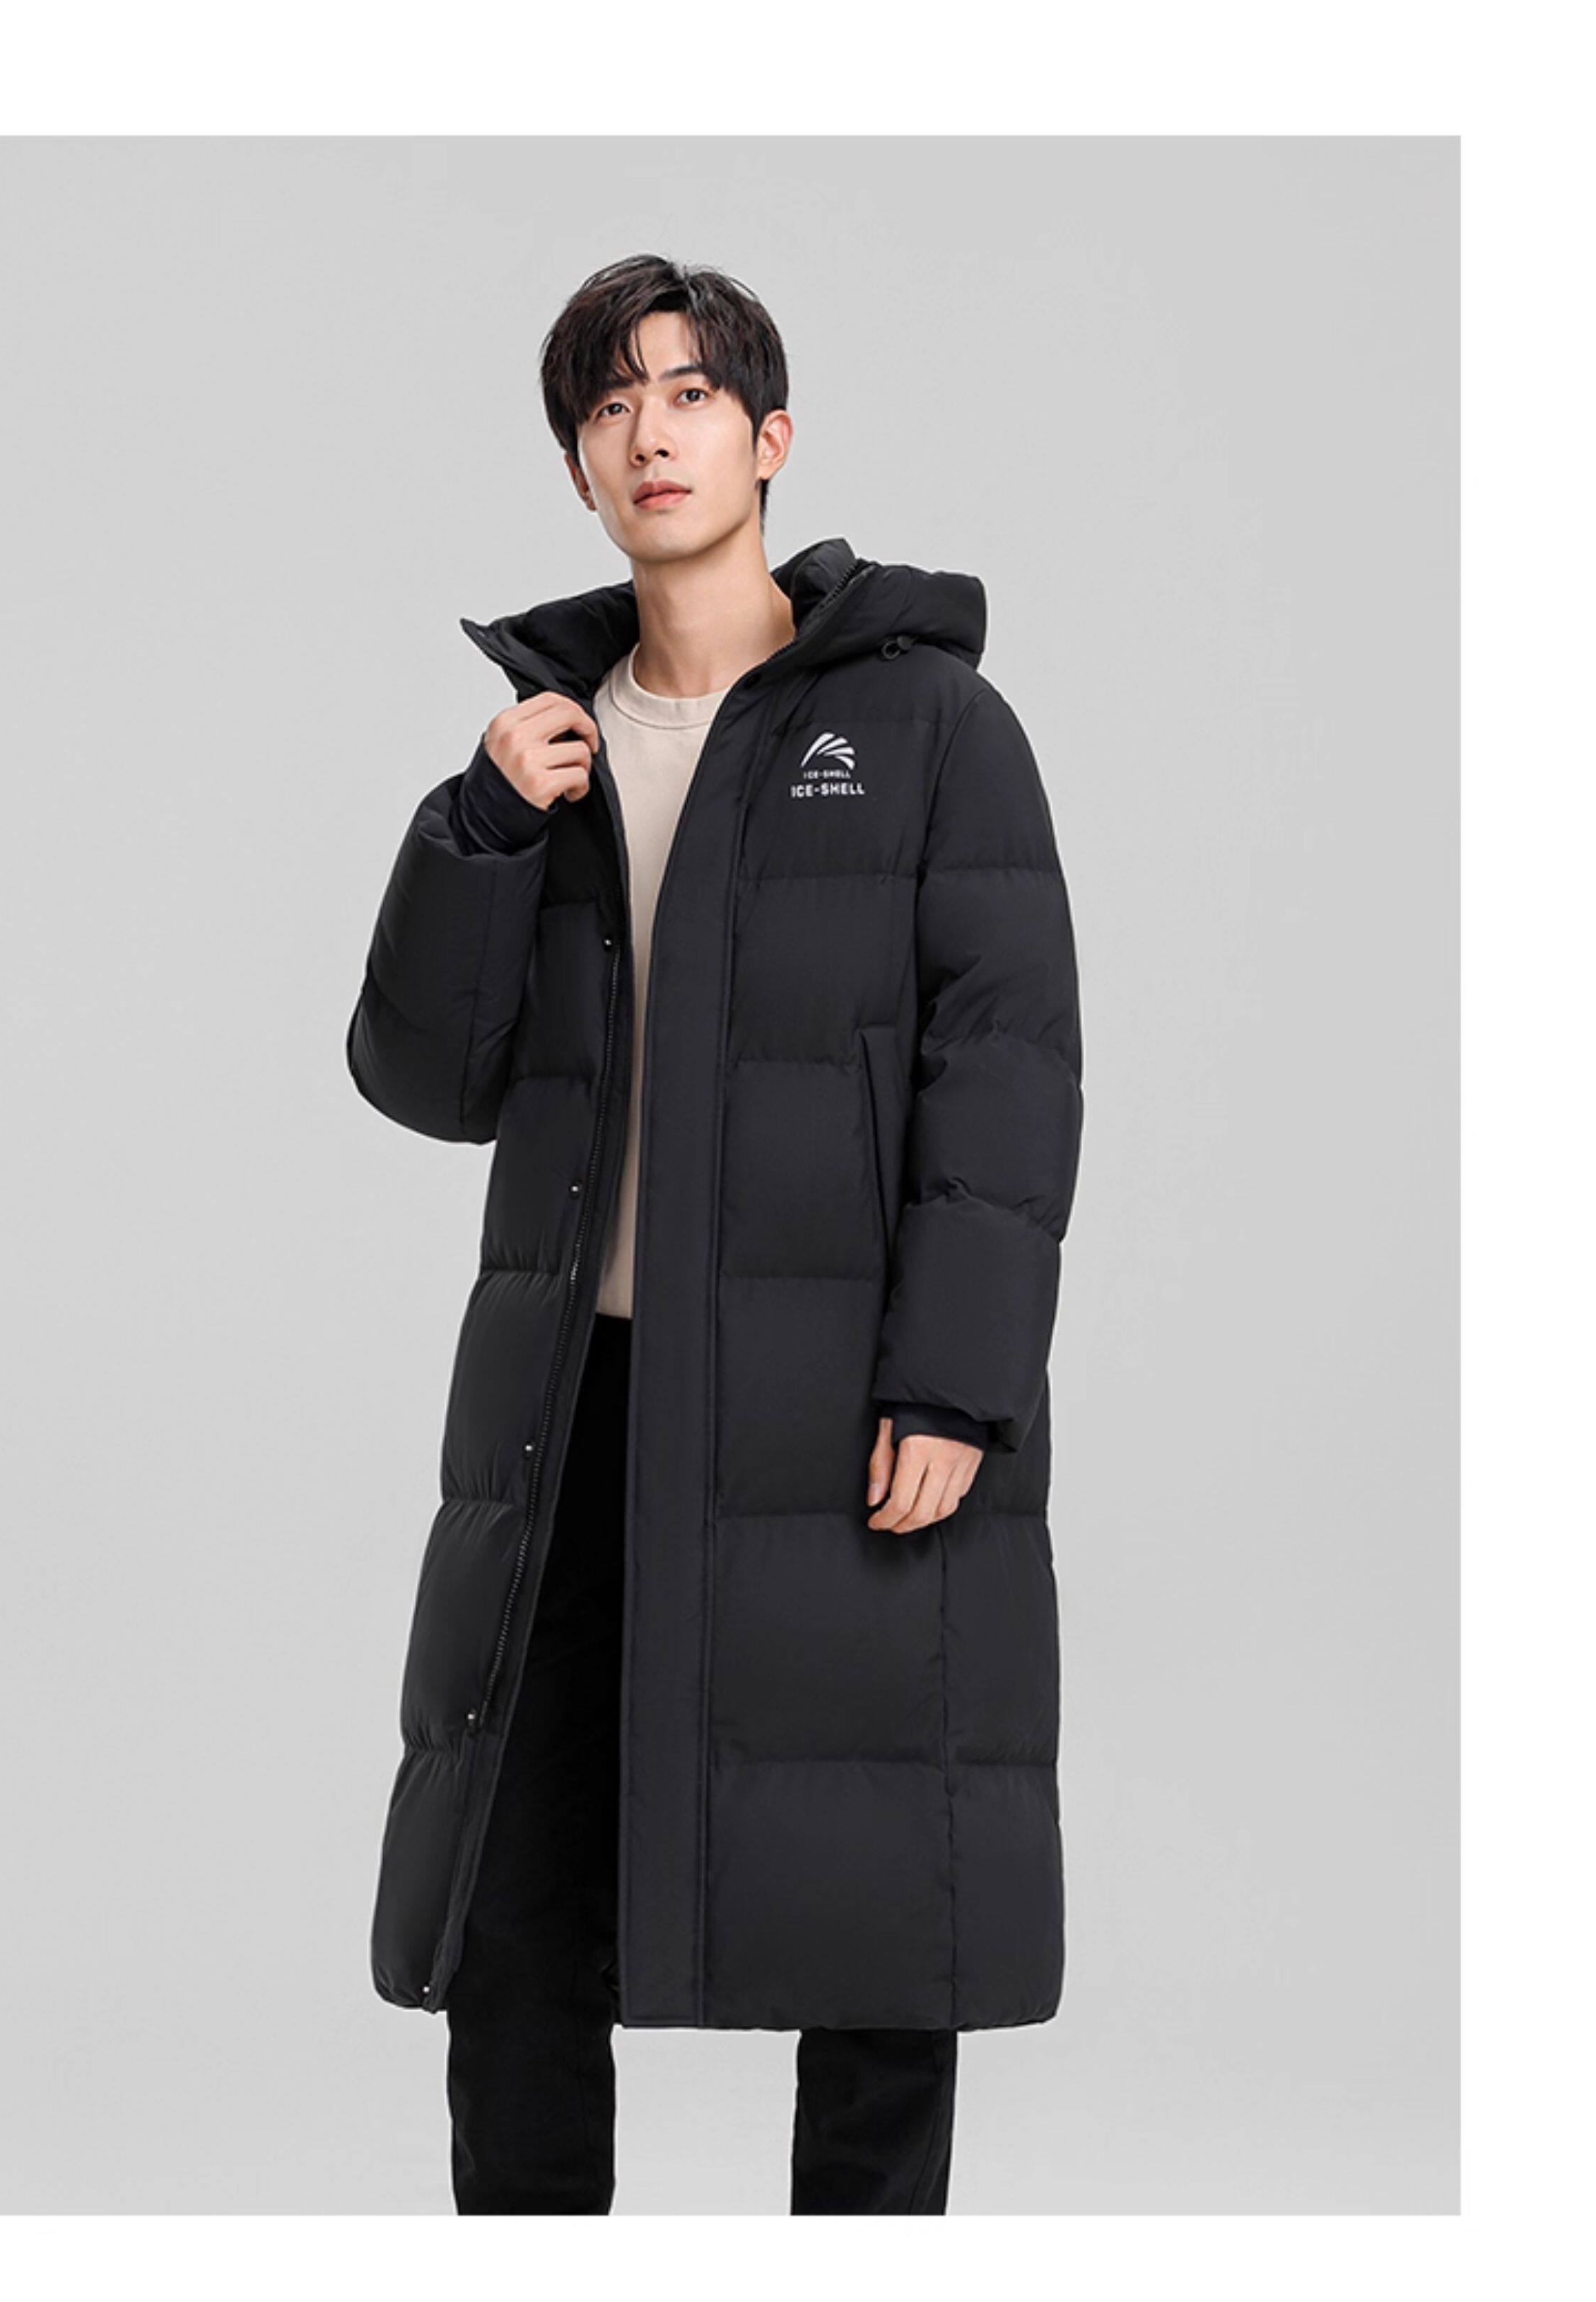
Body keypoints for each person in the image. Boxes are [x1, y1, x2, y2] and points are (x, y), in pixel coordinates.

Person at [347, 254, 1085, 2214]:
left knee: (878, 1912)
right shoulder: (544, 751)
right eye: (607, 406)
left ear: (769, 440)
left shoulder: (930, 725)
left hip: (841, 1398)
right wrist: (477, 834)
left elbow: (1007, 1069)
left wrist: (958, 1380)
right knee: (516, 1916)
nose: (648, 433)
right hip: (576, 1403)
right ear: (579, 469)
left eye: (686, 395)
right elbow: (425, 1077)